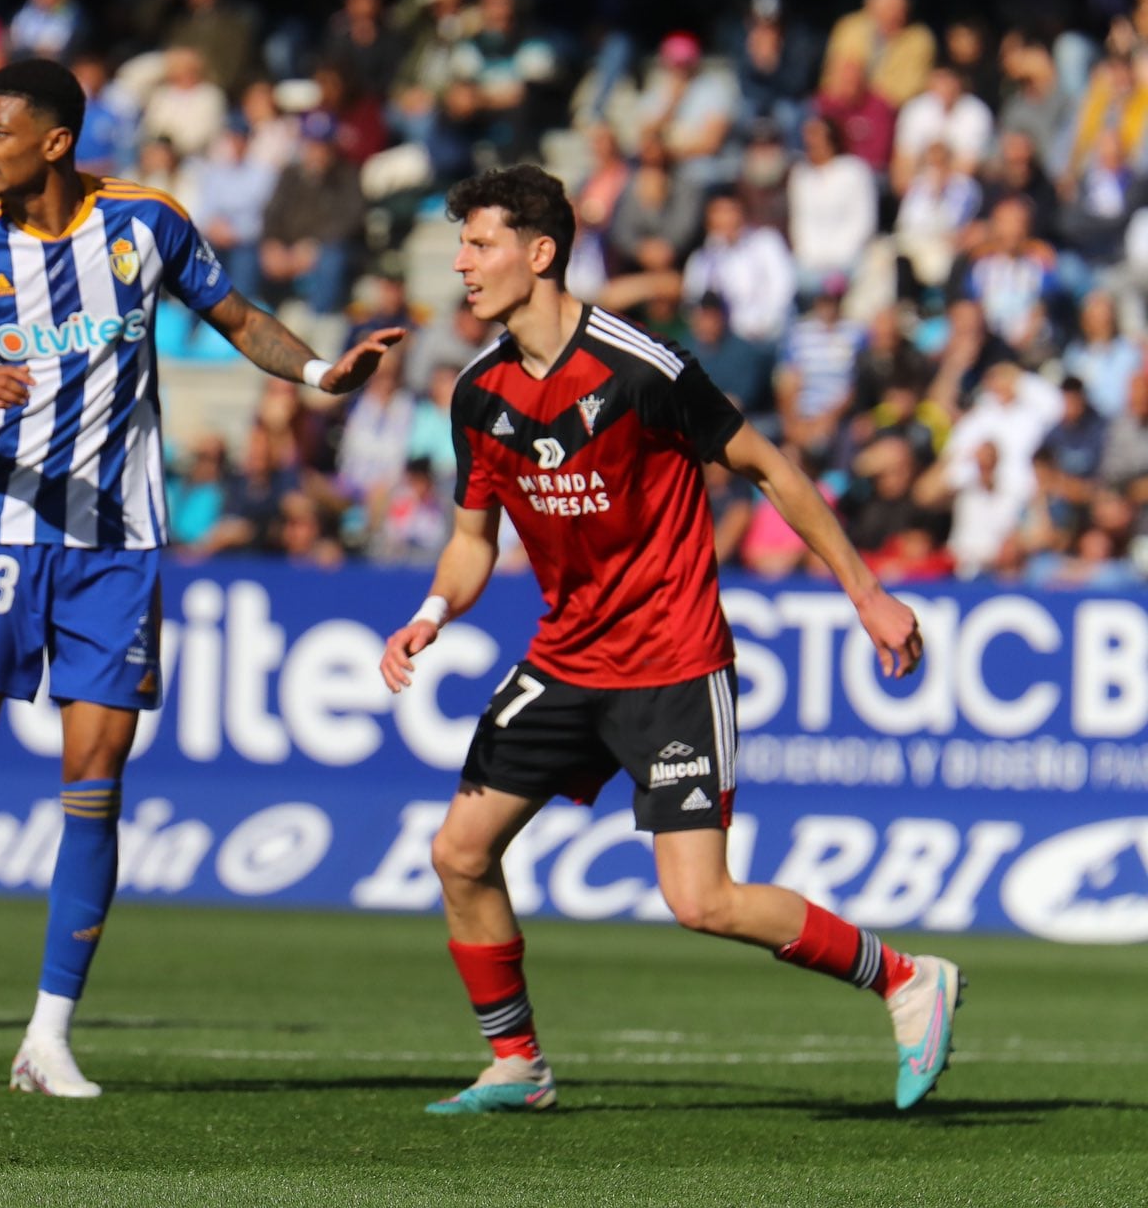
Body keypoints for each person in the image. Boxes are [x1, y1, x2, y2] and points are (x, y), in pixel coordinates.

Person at [0, 58, 399, 1097]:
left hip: (116, 546)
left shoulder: (146, 225)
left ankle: (46, 1038)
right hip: (1, 535)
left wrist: (317, 375)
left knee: (94, 789)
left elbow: (236, 317)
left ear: (55, 141)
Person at [377, 166, 955, 1118]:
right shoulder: (479, 393)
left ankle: (904, 979)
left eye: (480, 244)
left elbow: (768, 466)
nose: (462, 263)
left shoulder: (641, 366)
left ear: (541, 252)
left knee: (703, 903)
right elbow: (473, 540)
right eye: (463, 244)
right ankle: (517, 1064)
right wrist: (433, 613)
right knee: (459, 853)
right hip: (565, 659)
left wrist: (868, 593)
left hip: (673, 662)